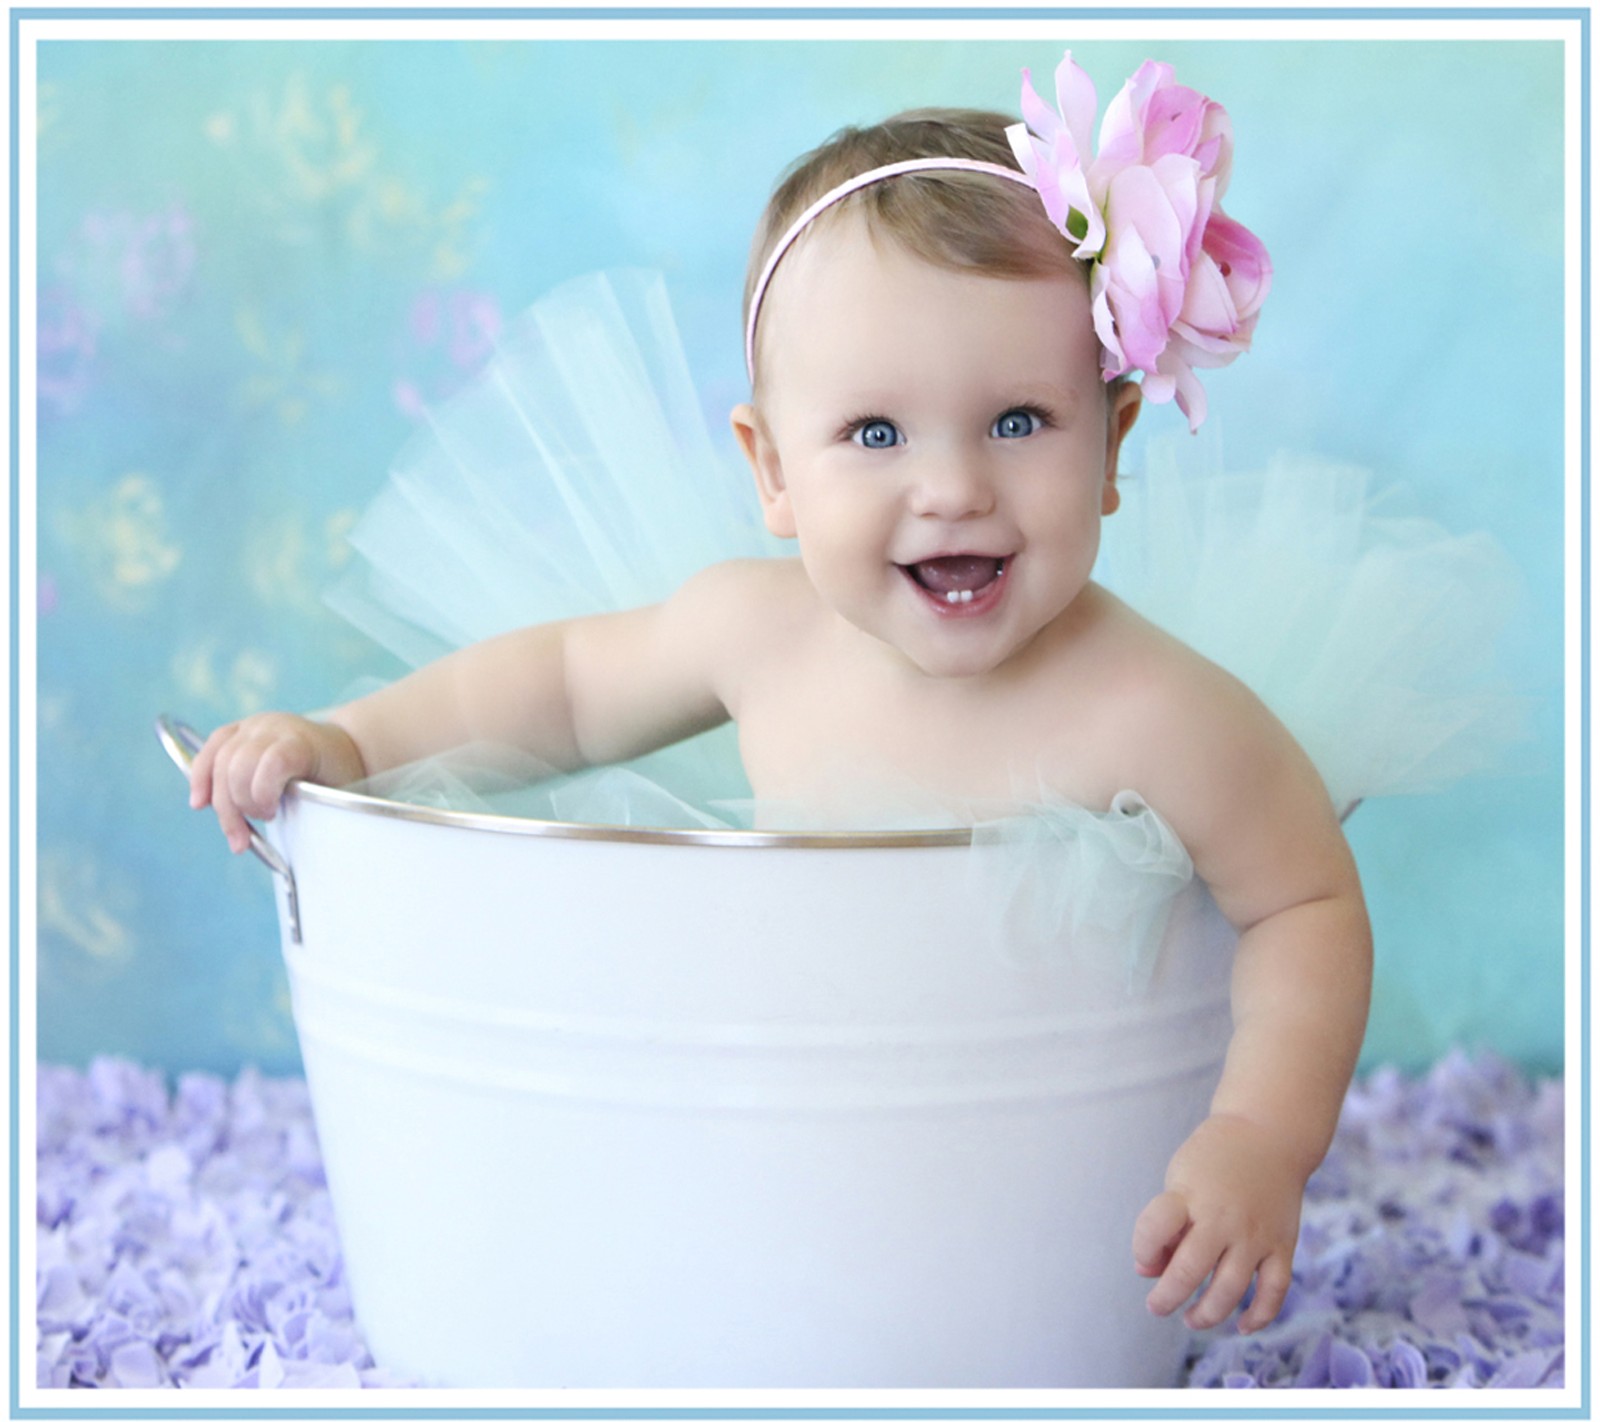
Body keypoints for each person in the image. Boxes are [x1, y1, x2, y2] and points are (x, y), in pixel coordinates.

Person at [189, 51, 1370, 1338]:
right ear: (772, 471)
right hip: (784, 1162)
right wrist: (351, 739)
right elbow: (559, 691)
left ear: (1111, 446)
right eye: (874, 434)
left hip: (1038, 1220)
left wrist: (1260, 1135)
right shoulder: (758, 631)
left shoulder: (1158, 712)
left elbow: (1304, 902)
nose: (952, 487)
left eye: (1020, 421)